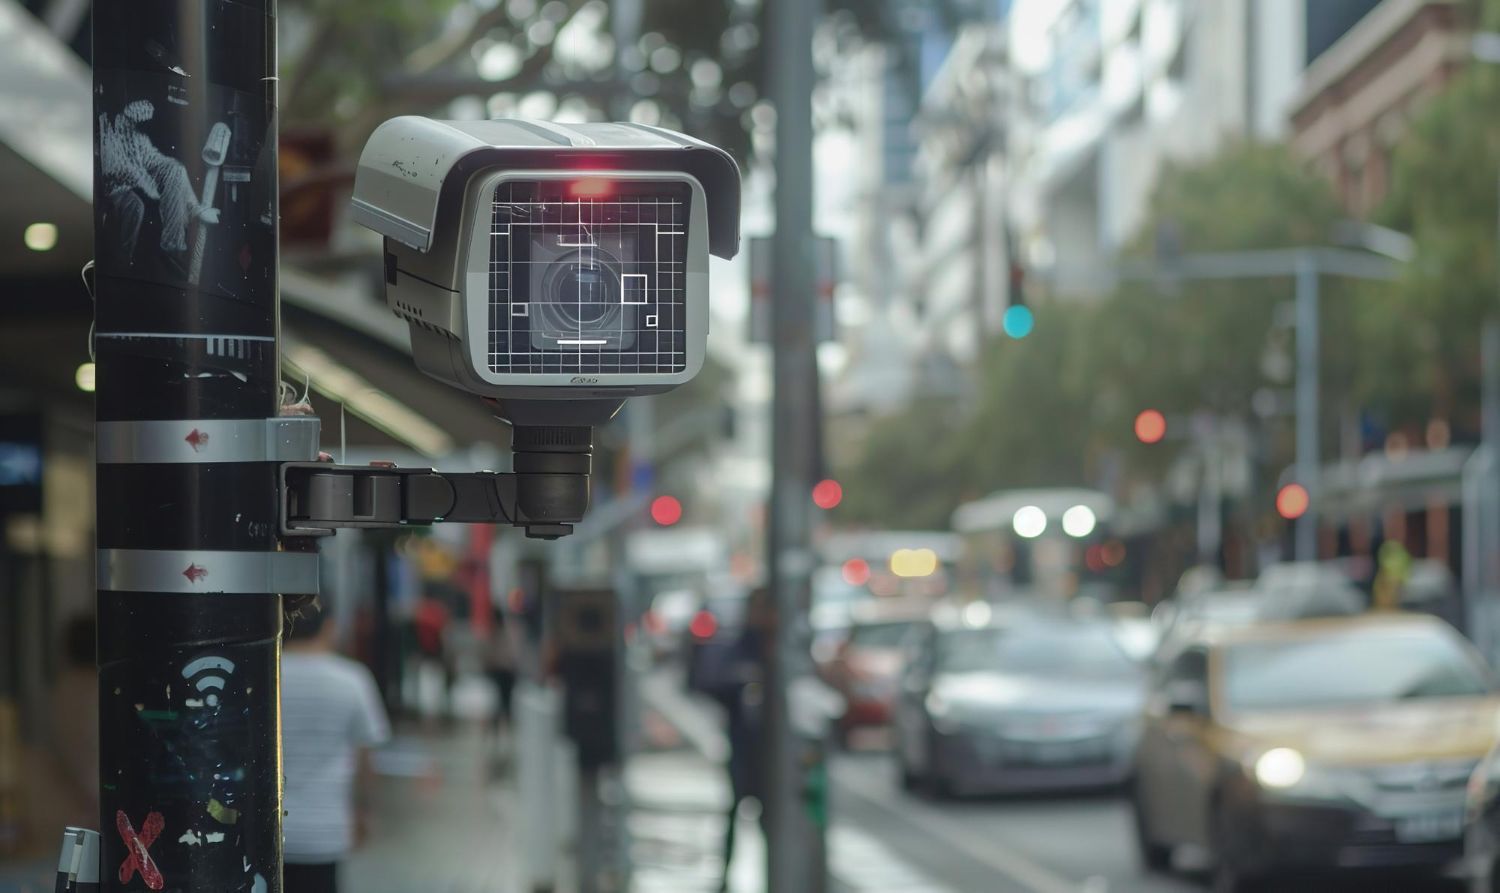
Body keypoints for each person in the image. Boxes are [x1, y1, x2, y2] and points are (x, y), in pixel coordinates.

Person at [281, 603, 391, 893]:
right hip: (326, 832)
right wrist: (364, 813)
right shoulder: (352, 680)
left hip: (269, 834)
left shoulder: (264, 675)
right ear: (329, 627)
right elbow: (366, 759)